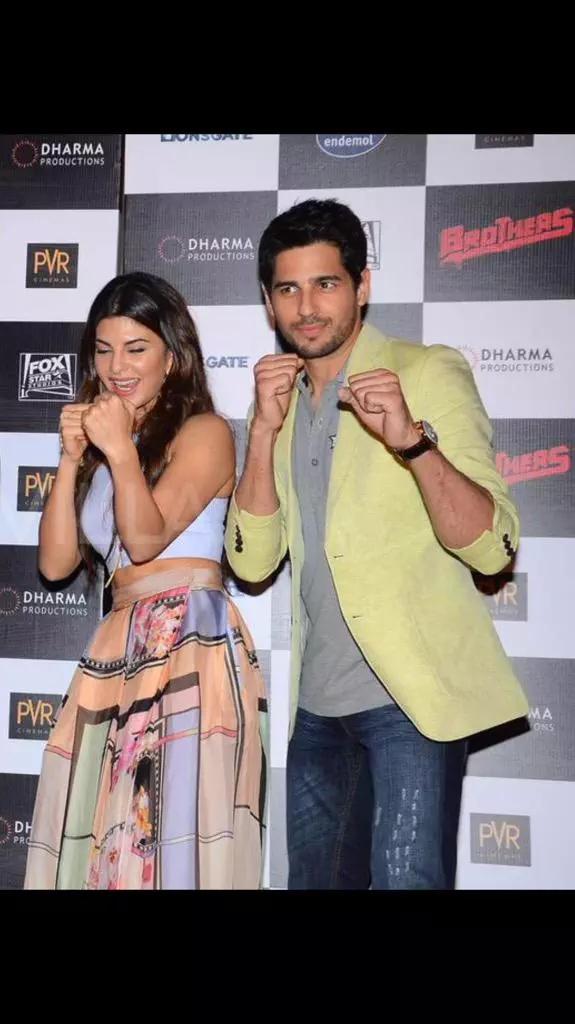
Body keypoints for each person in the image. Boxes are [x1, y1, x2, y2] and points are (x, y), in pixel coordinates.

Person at [224, 199, 528, 890]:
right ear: (268, 302)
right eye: (287, 288)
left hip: (410, 702)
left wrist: (412, 443)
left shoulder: (426, 372)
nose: (306, 307)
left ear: (361, 286)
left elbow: (492, 548)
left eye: (325, 283)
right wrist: (262, 433)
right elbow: (251, 560)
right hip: (316, 705)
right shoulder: (275, 404)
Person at [24, 272, 267, 890]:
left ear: (172, 355)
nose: (117, 367)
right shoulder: (108, 446)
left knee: (173, 839)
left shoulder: (205, 431)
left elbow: (146, 539)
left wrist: (120, 451)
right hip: (119, 643)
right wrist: (71, 458)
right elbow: (55, 565)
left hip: (188, 639)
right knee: (108, 842)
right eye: (104, 350)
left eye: (136, 348)